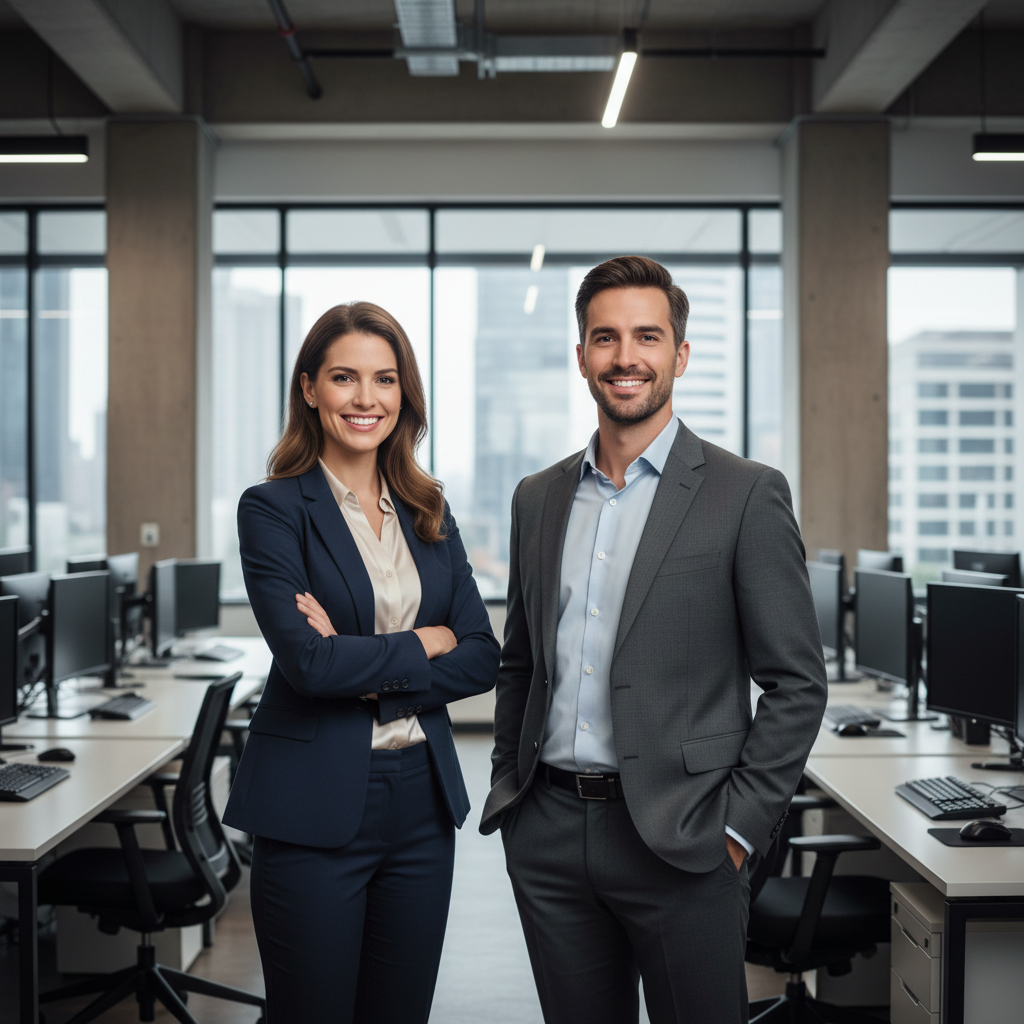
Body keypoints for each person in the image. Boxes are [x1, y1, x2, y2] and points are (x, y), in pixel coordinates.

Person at [480, 256, 827, 1024]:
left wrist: (737, 829)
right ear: (581, 357)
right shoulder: (537, 498)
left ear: (680, 354)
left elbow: (798, 682)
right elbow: (522, 662)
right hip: (550, 834)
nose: (625, 356)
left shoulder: (745, 492)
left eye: (647, 336)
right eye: (605, 338)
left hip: (687, 838)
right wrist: (513, 788)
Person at [223, 301, 500, 1023]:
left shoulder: (427, 510)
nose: (366, 398)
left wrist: (359, 661)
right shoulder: (274, 509)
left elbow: (480, 658)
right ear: (310, 388)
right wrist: (421, 642)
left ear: (404, 394)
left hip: (421, 803)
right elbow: (309, 666)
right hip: (313, 801)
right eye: (345, 377)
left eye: (385, 379)